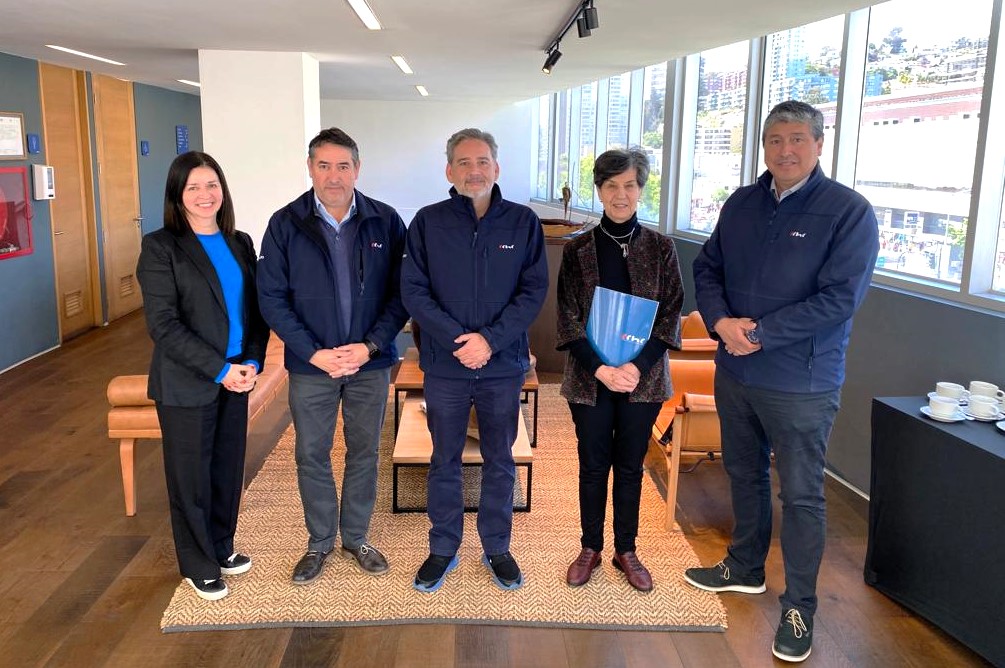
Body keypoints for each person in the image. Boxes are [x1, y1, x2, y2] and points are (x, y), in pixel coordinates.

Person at [686, 100, 879, 663]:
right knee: (743, 472)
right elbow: (707, 268)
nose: (785, 150)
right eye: (774, 140)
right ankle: (744, 567)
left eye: (797, 139)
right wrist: (721, 323)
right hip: (736, 370)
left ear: (820, 144)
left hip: (801, 381)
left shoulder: (848, 211)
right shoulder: (743, 202)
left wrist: (762, 333)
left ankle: (800, 606)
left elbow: (841, 299)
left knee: (800, 495)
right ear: (763, 146)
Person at [257, 128, 408, 585]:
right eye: (324, 165)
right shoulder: (285, 224)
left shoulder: (385, 220)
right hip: (312, 367)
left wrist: (371, 346)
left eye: (343, 166)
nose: (334, 176)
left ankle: (356, 536)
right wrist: (314, 353)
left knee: (365, 451)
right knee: (311, 453)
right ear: (309, 168)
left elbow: (402, 294)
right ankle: (320, 541)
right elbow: (272, 299)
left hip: (370, 363)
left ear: (357, 170)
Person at [401, 128, 548, 593]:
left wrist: (489, 340)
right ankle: (442, 548)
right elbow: (414, 291)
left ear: (496, 167)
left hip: (502, 365)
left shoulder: (522, 223)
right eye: (463, 162)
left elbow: (533, 292)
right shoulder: (427, 222)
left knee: (499, 458)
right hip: (445, 366)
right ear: (449, 170)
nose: (474, 170)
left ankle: (497, 548)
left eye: (482, 161)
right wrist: (456, 339)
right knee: (443, 457)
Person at [136, 151, 270, 601]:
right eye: (192, 187)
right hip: (189, 381)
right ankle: (198, 563)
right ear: (177, 194)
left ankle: (222, 547)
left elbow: (255, 314)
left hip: (238, 375)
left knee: (227, 468)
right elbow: (163, 324)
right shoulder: (161, 247)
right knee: (190, 476)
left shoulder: (240, 242)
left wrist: (251, 362)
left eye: (211, 184)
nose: (204, 195)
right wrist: (220, 369)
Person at [555, 148, 684, 593]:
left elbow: (670, 317)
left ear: (641, 190)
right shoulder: (577, 251)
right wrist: (602, 370)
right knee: (592, 465)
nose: (621, 194)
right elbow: (568, 319)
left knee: (629, 467)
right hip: (589, 381)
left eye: (629, 185)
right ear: (600, 191)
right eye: (611, 186)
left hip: (642, 380)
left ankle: (625, 550)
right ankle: (589, 547)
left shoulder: (662, 248)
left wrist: (635, 366)